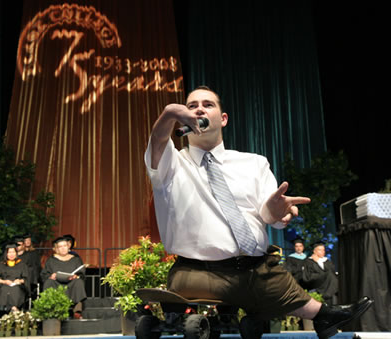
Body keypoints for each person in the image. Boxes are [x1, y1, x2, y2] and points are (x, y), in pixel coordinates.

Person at [144, 86, 373, 338]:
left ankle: (321, 315)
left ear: (223, 119)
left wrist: (277, 213)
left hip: (252, 266)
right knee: (263, 282)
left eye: (208, 104)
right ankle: (319, 314)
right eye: (191, 105)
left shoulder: (254, 163)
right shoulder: (172, 163)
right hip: (196, 272)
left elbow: (269, 213)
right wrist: (167, 114)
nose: (199, 108)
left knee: (267, 270)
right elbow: (158, 141)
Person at [40, 237, 87, 319]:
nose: (63, 248)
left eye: (65, 246)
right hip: (57, 282)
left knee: (78, 282)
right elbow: (44, 274)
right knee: (48, 282)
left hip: (71, 282)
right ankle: (51, 310)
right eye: (60, 246)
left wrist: (76, 276)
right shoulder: (51, 260)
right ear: (56, 249)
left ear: (68, 247)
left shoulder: (75, 259)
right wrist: (51, 276)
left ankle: (77, 311)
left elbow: (82, 274)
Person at [0, 244, 30, 313]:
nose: (11, 254)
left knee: (16, 289)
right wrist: (4, 281)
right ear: (6, 254)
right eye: (9, 252)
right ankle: (13, 309)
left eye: (13, 252)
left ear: (16, 253)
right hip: (3, 286)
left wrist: (19, 281)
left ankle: (12, 308)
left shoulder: (22, 265)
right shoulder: (1, 265)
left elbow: (26, 279)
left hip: (18, 286)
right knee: (4, 289)